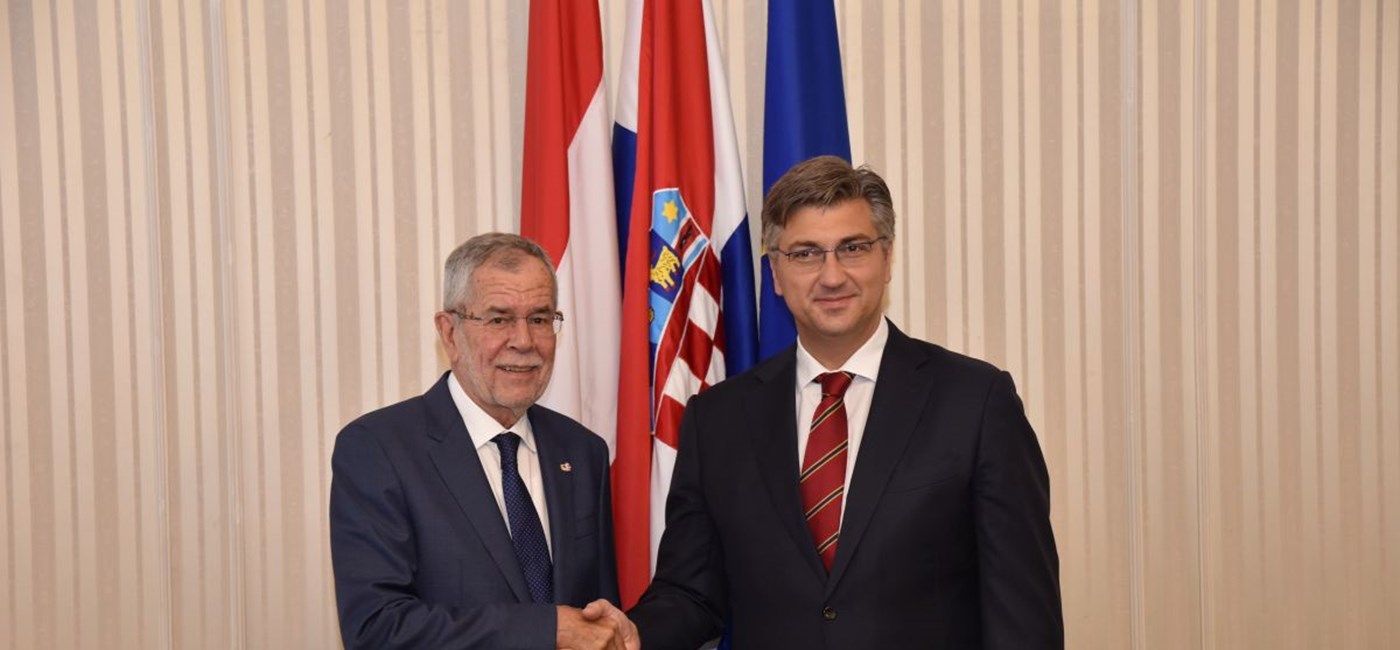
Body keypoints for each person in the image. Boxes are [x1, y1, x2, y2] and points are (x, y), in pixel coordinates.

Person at [623, 156, 1064, 648]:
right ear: (775, 272)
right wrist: (628, 635)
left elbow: (1023, 617)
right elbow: (692, 594)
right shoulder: (717, 421)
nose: (831, 276)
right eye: (806, 254)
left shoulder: (976, 404)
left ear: (887, 258)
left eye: (852, 248)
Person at [329, 233, 637, 650]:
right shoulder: (378, 450)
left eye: (540, 319)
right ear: (449, 333)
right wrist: (547, 630)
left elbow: (597, 617)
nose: (524, 341)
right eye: (498, 319)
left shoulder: (583, 451)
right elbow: (377, 629)